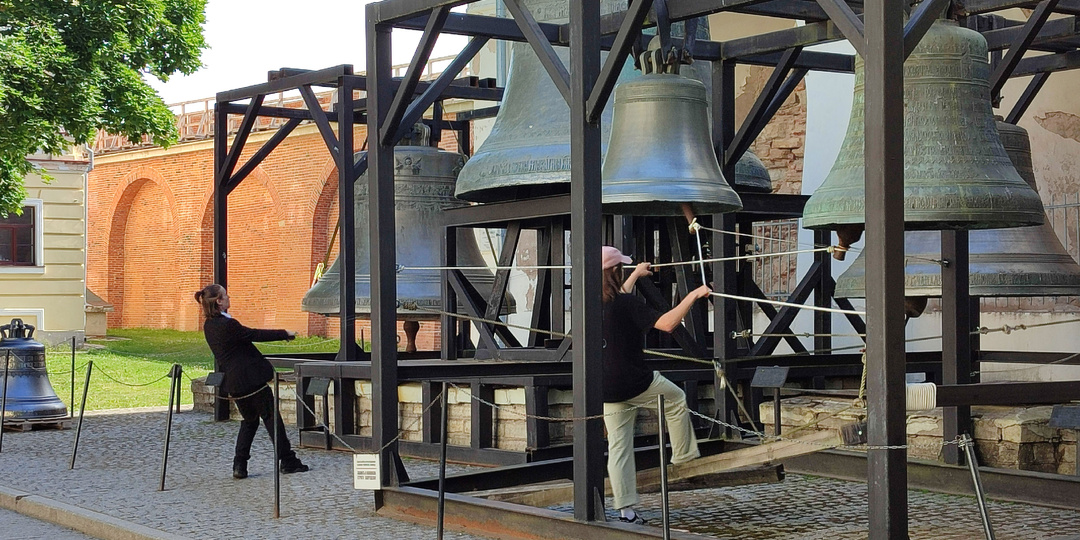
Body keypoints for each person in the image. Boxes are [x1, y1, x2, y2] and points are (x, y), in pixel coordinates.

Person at [600, 246, 710, 524]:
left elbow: (620, 296)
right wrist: (694, 295)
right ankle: (683, 458)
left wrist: (637, 274)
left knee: (619, 447)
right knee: (676, 399)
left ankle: (626, 512)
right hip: (635, 381)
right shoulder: (627, 304)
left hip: (607, 388)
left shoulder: (593, 302)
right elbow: (668, 324)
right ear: (615, 271)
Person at [195, 284, 309, 479]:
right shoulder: (228, 325)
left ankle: (239, 464)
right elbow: (255, 334)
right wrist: (284, 333)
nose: (229, 297)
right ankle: (288, 460)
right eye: (225, 295)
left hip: (235, 383)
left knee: (249, 421)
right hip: (250, 380)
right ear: (219, 301)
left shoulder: (209, 325)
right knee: (271, 418)